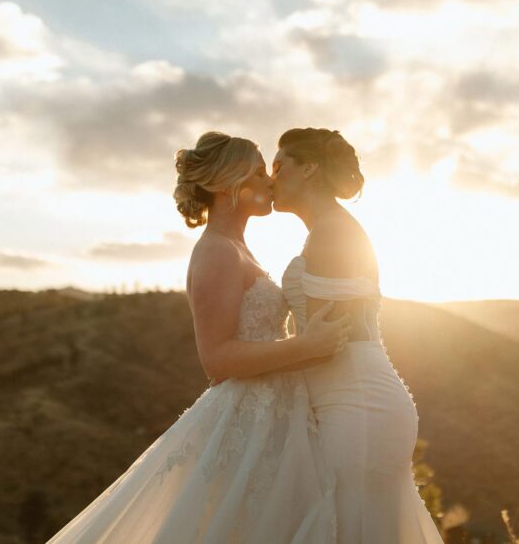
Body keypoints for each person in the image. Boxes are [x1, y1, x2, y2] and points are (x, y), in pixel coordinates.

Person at [47, 131, 353, 543]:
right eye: (260, 173)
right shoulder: (216, 252)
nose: (269, 181)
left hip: (280, 413)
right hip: (249, 422)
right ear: (229, 185)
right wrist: (307, 345)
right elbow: (217, 359)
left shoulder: (237, 247)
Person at [273, 127, 444, 543]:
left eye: (278, 165)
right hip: (348, 399)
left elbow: (321, 345)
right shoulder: (326, 230)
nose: (270, 177)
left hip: (357, 407)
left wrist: (239, 362)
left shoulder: (332, 233)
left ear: (309, 168)